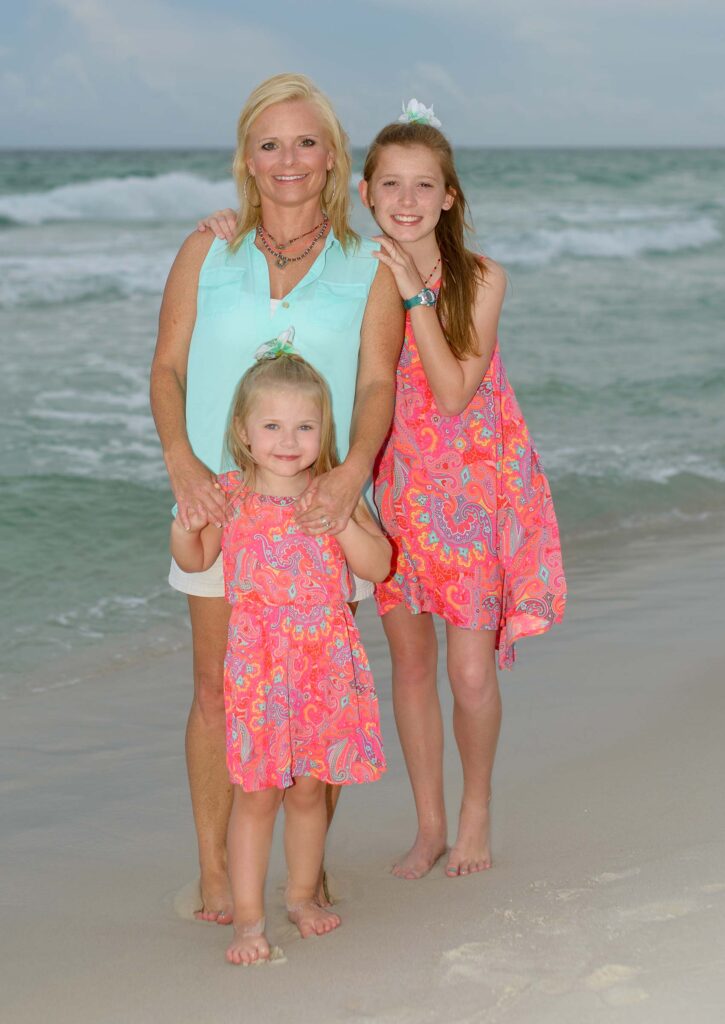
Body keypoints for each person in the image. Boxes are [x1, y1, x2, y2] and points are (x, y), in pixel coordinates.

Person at [150, 73, 403, 924]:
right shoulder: (207, 251)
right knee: (219, 691)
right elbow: (169, 368)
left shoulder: (367, 264)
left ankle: (304, 873)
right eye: (269, 143)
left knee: (315, 691)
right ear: (246, 160)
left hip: (321, 511)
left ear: (332, 158)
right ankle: (218, 872)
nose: (287, 159)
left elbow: (375, 384)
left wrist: (351, 472)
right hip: (222, 506)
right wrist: (183, 462)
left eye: (305, 142)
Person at [360, 106, 567, 880]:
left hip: (476, 494)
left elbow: (451, 393)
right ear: (364, 191)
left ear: (449, 196)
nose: (406, 200)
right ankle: (428, 824)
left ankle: (475, 811)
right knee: (409, 666)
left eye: (424, 185)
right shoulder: (358, 272)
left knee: (470, 672)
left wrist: (415, 292)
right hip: (398, 492)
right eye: (390, 184)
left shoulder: (480, 278)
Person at [171, 342, 390, 963]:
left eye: (304, 426)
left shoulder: (331, 494)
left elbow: (378, 565)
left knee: (308, 791)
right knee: (258, 794)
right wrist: (185, 523)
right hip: (259, 669)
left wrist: (344, 522)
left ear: (325, 433)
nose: (288, 440)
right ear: (243, 431)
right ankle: (247, 921)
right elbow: (196, 560)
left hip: (322, 665)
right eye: (272, 425)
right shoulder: (230, 496)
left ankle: (301, 895)